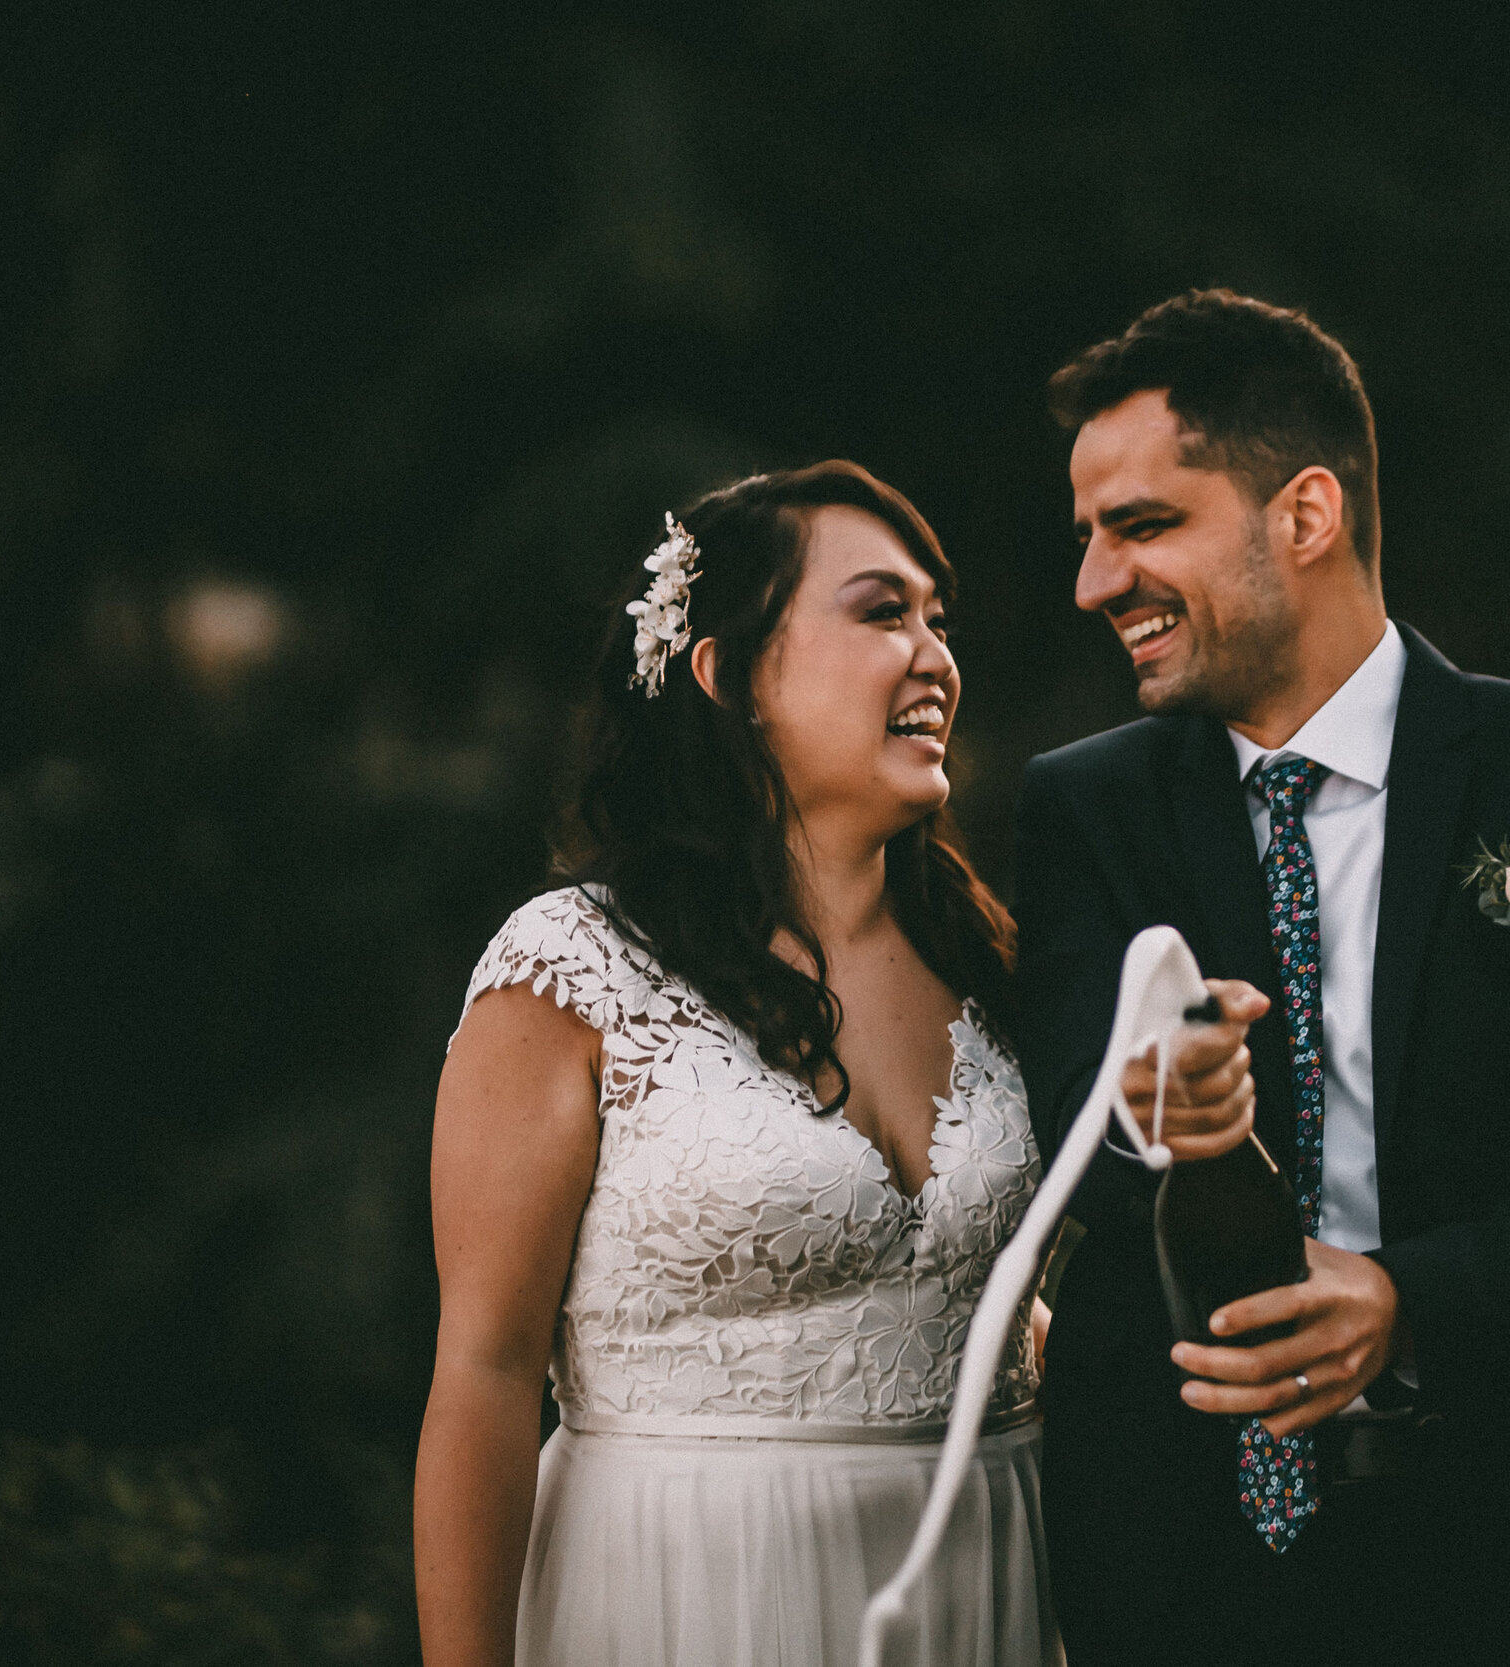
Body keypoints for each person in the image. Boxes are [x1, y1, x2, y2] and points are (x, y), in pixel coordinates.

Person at [1015, 291, 1510, 1665]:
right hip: (1203, 1569)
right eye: (1089, 536)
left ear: (1305, 513)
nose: (1095, 582)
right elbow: (1063, 1133)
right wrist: (1150, 1110)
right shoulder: (1086, 810)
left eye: (1144, 524)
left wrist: (1408, 1299)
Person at [415, 462, 1061, 1666]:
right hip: (683, 1594)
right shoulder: (576, 969)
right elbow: (485, 1372)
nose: (934, 656)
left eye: (938, 618)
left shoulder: (992, 963)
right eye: (881, 611)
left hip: (980, 1591)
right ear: (728, 674)